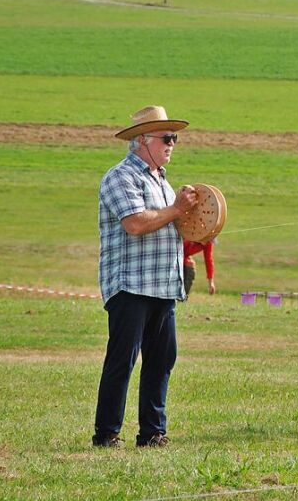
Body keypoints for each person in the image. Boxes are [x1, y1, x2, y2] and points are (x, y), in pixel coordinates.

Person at [92, 105, 198, 449]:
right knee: (123, 360)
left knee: (162, 359)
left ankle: (152, 433)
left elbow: (170, 224)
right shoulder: (120, 177)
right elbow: (136, 224)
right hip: (130, 284)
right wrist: (177, 209)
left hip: (163, 284)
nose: (172, 144)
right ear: (142, 140)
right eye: (166, 138)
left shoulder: (162, 181)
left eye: (175, 138)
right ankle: (106, 434)